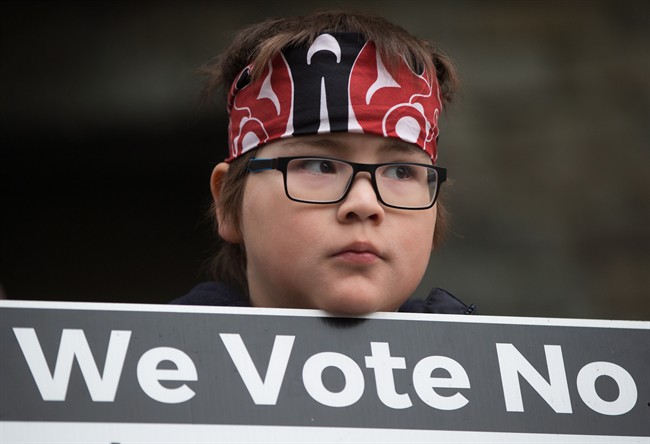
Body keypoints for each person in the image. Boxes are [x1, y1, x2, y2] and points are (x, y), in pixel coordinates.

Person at [172, 9, 475, 316]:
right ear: (227, 202)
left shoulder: (481, 360)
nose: (364, 203)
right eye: (319, 165)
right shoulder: (144, 358)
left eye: (401, 172)